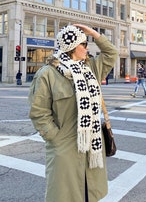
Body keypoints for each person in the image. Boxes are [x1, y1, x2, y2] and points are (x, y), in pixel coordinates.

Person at [28, 24, 118, 202]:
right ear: (71, 47)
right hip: (65, 148)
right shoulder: (47, 74)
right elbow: (38, 111)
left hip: (92, 147)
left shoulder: (91, 69)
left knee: (89, 195)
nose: (87, 48)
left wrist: (92, 33)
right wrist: (55, 137)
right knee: (64, 196)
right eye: (83, 44)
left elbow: (111, 54)